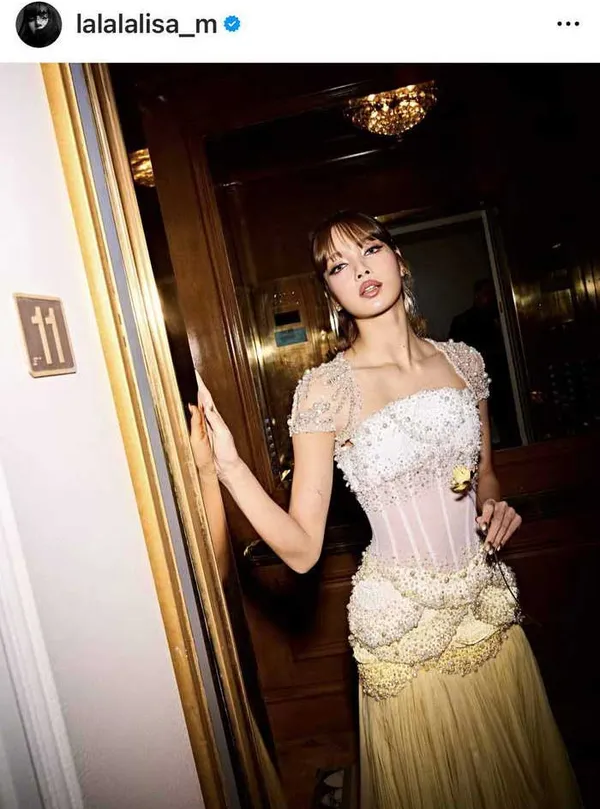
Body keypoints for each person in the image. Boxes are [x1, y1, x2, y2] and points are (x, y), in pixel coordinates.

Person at [189, 211, 580, 808]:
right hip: (403, 626)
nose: (360, 270)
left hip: (485, 608)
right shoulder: (326, 389)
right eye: (338, 266)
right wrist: (229, 467)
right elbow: (302, 550)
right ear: (331, 292)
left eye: (370, 250)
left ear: (399, 259)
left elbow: (485, 473)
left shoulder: (464, 363)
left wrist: (494, 504)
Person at [449, 278, 521, 447]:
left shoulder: (502, 318)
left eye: (492, 294)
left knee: (507, 422)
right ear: (477, 295)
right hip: (477, 380)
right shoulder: (463, 322)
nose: (490, 298)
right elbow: (455, 357)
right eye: (487, 293)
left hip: (502, 379)